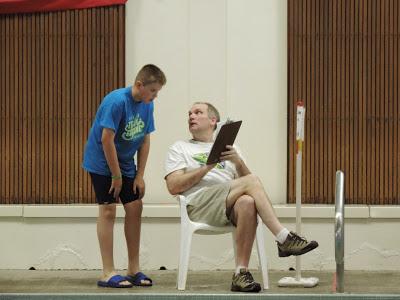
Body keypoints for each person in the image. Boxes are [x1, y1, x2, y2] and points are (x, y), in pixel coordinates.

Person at [164, 102, 318, 293]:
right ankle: (283, 237)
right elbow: (173, 186)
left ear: (213, 121)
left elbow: (250, 185)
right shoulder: (180, 147)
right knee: (251, 181)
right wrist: (207, 167)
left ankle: (240, 273)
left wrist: (237, 162)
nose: (191, 116)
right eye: (189, 113)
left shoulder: (230, 148)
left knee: (248, 202)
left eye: (197, 112)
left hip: (227, 205)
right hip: (198, 205)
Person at [82, 64, 166, 288]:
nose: (155, 96)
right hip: (102, 162)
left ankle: (133, 268)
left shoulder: (147, 106)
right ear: (139, 85)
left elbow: (145, 140)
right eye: (153, 91)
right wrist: (116, 176)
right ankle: (107, 272)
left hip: (126, 163)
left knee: (135, 206)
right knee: (108, 209)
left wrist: (140, 175)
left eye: (158, 91)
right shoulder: (116, 101)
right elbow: (106, 139)